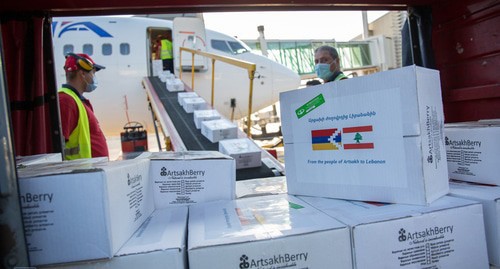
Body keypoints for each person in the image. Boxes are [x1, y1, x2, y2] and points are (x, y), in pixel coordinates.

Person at [58, 53, 109, 160]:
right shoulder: (66, 101)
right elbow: (58, 146)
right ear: (82, 74)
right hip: (79, 173)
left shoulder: (76, 101)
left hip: (87, 172)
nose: (94, 77)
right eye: (93, 73)